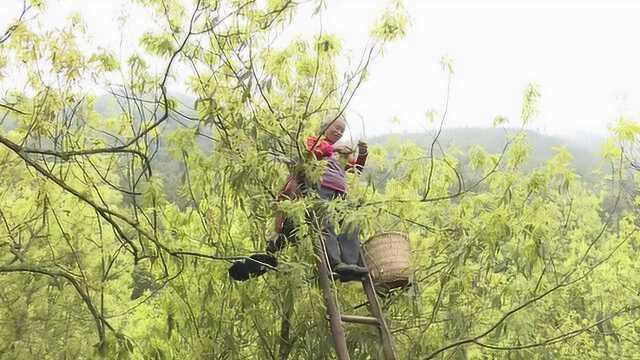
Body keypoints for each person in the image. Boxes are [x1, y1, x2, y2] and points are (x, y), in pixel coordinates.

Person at [229, 113, 369, 281]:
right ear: (325, 127)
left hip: (340, 193)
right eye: (336, 128)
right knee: (325, 224)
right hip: (321, 187)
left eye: (342, 130)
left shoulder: (341, 155)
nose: (339, 132)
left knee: (352, 221)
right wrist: (333, 149)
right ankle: (335, 263)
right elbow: (309, 155)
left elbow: (356, 169)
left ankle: (350, 263)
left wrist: (363, 153)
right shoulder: (315, 140)